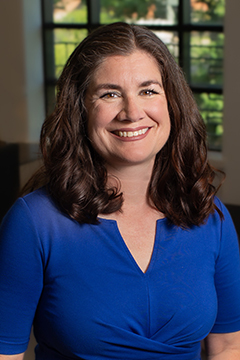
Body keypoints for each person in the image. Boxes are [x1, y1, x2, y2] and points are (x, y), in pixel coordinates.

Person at [0, 22, 240, 360]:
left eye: (148, 90)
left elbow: (229, 346)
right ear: (80, 109)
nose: (132, 112)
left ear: (172, 102)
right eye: (109, 93)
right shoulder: (35, 223)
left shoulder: (209, 216)